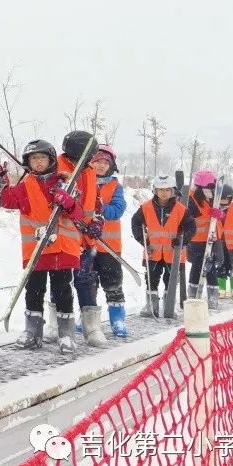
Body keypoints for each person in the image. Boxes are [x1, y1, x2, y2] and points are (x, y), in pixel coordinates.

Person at [0, 139, 86, 354]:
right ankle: (32, 331)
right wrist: (1, 182)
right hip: (35, 249)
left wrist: (68, 202)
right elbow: (7, 200)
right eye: (33, 158)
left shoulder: (66, 182)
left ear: (51, 160)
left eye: (42, 158)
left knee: (63, 290)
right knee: (34, 290)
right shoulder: (23, 187)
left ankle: (66, 334)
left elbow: (78, 214)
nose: (38, 162)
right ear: (28, 162)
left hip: (61, 248)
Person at [45, 131, 98, 342]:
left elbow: (96, 200)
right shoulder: (57, 168)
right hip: (64, 235)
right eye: (90, 153)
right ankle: (56, 324)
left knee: (86, 280)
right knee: (60, 282)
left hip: (86, 237)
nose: (92, 158)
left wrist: (98, 221)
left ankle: (92, 327)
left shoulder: (90, 171)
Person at [132, 175, 195, 318]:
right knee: (151, 280)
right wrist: (143, 240)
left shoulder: (181, 209)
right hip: (152, 252)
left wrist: (182, 240)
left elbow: (191, 227)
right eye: (160, 190)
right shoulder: (146, 207)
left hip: (173, 253)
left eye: (167, 189)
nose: (164, 193)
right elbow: (135, 223)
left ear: (173, 191)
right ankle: (151, 306)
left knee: (170, 280)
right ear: (155, 190)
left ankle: (169, 306)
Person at [82, 144, 127, 339]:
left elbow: (117, 211)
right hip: (86, 245)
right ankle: (88, 320)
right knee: (87, 284)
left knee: (113, 283)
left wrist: (99, 206)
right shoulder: (82, 182)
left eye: (105, 162)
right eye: (97, 161)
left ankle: (117, 319)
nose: (100, 166)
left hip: (109, 247)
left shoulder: (115, 187)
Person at [186, 170, 219, 304]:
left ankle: (213, 296)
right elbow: (190, 217)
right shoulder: (190, 199)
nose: (211, 191)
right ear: (201, 188)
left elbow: (214, 218)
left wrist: (217, 214)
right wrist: (208, 214)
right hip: (195, 241)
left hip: (209, 240)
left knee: (210, 267)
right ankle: (193, 294)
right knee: (197, 266)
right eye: (209, 188)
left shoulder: (208, 199)